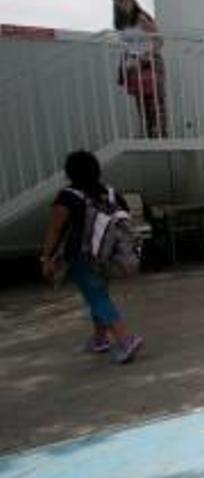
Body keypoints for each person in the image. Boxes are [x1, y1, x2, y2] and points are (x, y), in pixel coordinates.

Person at [40, 150, 144, 364]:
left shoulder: (68, 196)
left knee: (96, 297)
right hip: (107, 255)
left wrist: (46, 257)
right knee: (98, 294)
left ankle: (126, 339)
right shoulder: (111, 193)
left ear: (70, 172)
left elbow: (54, 229)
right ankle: (99, 338)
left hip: (82, 257)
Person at [114, 0, 166, 138]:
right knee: (142, 105)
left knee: (155, 104)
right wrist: (128, 60)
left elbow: (159, 40)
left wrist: (143, 56)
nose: (122, 3)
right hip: (134, 66)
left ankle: (160, 136)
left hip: (150, 63)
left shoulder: (141, 17)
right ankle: (149, 135)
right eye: (118, 1)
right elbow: (127, 44)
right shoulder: (121, 23)